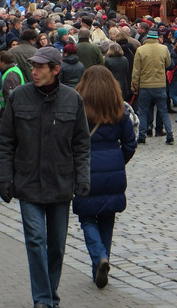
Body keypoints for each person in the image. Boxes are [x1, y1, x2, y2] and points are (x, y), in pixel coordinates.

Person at [0, 46, 91, 308]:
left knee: (57, 246)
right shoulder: (19, 97)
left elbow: (81, 144)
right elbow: (5, 143)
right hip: (28, 183)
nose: (34, 71)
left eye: (40, 67)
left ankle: (50, 293)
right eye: (33, 66)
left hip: (61, 183)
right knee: (36, 240)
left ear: (55, 69)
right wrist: (5, 178)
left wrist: (83, 178)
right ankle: (43, 299)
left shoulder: (72, 99)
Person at [73, 66, 137, 287]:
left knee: (87, 217)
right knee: (107, 219)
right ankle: (102, 264)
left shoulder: (77, 106)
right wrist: (119, 161)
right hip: (113, 170)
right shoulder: (118, 109)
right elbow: (130, 142)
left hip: (86, 168)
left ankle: (99, 257)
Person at [131, 28, 174, 145]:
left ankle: (142, 135)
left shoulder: (140, 50)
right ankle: (169, 134)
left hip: (145, 85)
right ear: (157, 38)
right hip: (160, 85)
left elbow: (136, 71)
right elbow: (168, 64)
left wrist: (134, 86)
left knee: (143, 111)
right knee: (163, 111)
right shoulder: (164, 48)